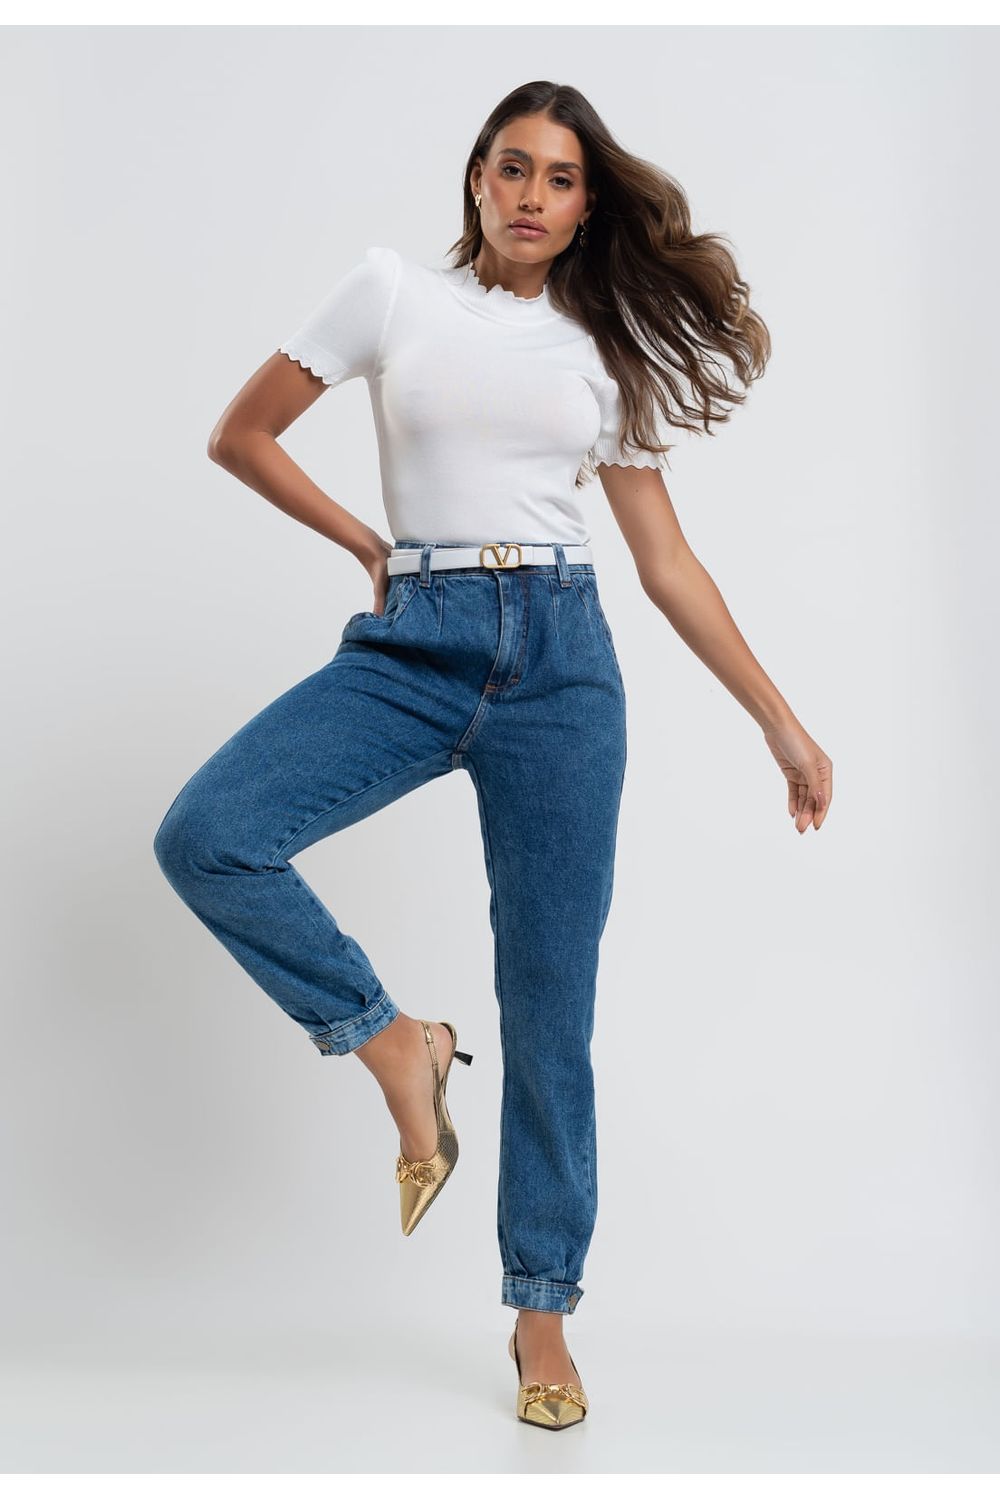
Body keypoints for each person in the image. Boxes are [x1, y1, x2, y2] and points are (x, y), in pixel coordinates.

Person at [153, 80, 832, 1431]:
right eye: (512, 167)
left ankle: (542, 1318)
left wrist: (777, 716)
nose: (532, 194)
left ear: (585, 207)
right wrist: (366, 544)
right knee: (210, 834)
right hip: (416, 642)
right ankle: (397, 1045)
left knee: (550, 1010)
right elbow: (241, 435)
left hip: (565, 670)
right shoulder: (391, 293)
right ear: (477, 177)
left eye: (561, 178)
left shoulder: (602, 350)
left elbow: (665, 561)